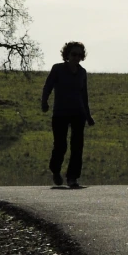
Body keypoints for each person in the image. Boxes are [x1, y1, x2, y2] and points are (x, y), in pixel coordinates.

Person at [40, 41, 92, 189]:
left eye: (79, 55)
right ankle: (55, 170)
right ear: (67, 55)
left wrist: (88, 116)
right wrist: (44, 102)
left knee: (77, 146)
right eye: (73, 54)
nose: (76, 57)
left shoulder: (82, 72)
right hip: (60, 112)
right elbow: (48, 86)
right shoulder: (57, 69)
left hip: (78, 112)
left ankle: (72, 177)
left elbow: (84, 95)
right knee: (60, 145)